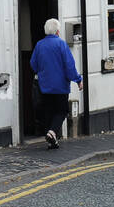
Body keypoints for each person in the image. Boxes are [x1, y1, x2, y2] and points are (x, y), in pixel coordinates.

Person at [29, 18, 83, 149]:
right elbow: (69, 66)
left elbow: (33, 64)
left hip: (45, 86)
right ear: (58, 31)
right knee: (62, 111)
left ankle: (51, 141)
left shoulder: (39, 45)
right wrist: (78, 80)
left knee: (49, 112)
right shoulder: (61, 44)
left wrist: (43, 71)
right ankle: (52, 133)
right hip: (60, 87)